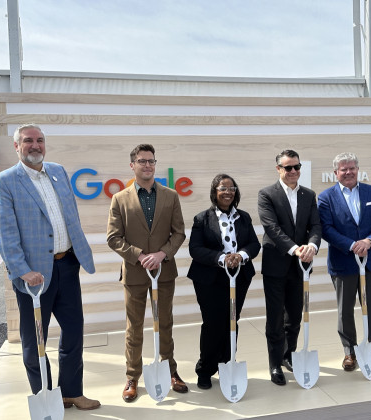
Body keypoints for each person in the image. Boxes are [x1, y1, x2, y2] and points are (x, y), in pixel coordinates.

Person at [0, 123, 100, 410]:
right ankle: (46, 396)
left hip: (67, 266)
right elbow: (3, 230)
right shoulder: (6, 181)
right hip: (33, 277)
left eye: (39, 140)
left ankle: (71, 392)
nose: (35, 145)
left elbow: (69, 215)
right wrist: (22, 269)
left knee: (74, 331)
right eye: (28, 141)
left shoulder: (58, 172)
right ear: (17, 146)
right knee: (35, 340)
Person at [106, 144, 188, 402]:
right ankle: (132, 376)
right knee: (135, 327)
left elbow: (179, 233)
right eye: (142, 161)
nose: (148, 165)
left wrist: (162, 254)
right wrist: (140, 256)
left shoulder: (170, 196)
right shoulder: (120, 198)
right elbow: (113, 237)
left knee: (165, 323)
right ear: (132, 165)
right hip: (135, 273)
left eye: (151, 161)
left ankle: (170, 371)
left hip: (164, 272)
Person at [318, 152, 371, 375]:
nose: (348, 172)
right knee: (345, 311)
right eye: (343, 169)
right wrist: (352, 245)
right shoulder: (326, 197)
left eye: (352, 168)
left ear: (357, 170)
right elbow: (326, 229)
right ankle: (350, 352)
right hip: (343, 262)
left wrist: (369, 241)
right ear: (336, 173)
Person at [187, 174, 261, 390]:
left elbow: (254, 245)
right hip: (210, 279)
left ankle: (227, 364)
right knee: (213, 324)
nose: (228, 192)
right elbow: (195, 249)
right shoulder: (202, 219)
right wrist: (222, 258)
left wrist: (241, 256)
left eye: (232, 188)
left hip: (239, 277)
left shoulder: (244, 217)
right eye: (223, 188)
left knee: (231, 321)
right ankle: (205, 370)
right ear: (214, 191)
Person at [257, 149, 322, 386]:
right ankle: (275, 364)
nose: (293, 171)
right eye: (288, 167)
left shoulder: (308, 194)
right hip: (277, 265)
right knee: (275, 318)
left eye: (296, 167)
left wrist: (312, 246)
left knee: (295, 316)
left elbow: (315, 226)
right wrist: (296, 249)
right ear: (279, 169)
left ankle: (288, 356)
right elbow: (271, 228)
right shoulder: (267, 194)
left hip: (301, 266)